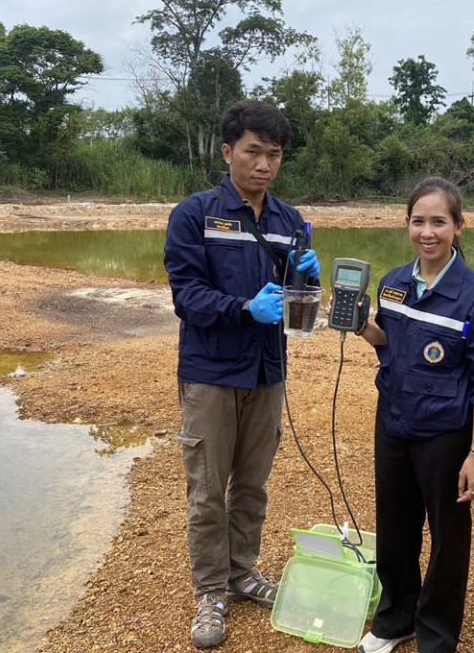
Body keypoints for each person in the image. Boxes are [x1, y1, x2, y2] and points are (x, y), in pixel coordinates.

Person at [164, 101, 321, 649]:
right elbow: (187, 296)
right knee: (208, 490)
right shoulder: (194, 216)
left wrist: (308, 281)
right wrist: (242, 309)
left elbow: (298, 305)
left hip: (267, 372)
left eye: (273, 155)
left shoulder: (289, 220)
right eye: (253, 152)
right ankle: (210, 591)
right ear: (228, 151)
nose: (263, 165)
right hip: (210, 372)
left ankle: (242, 572)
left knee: (252, 485)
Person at [352, 176, 474, 653]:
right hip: (394, 423)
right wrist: (361, 325)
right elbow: (389, 344)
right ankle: (397, 617)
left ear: (458, 226)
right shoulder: (394, 283)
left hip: (445, 432)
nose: (428, 232)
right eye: (418, 221)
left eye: (439, 221)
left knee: (447, 537)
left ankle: (436, 634)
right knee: (394, 526)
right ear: (407, 225)